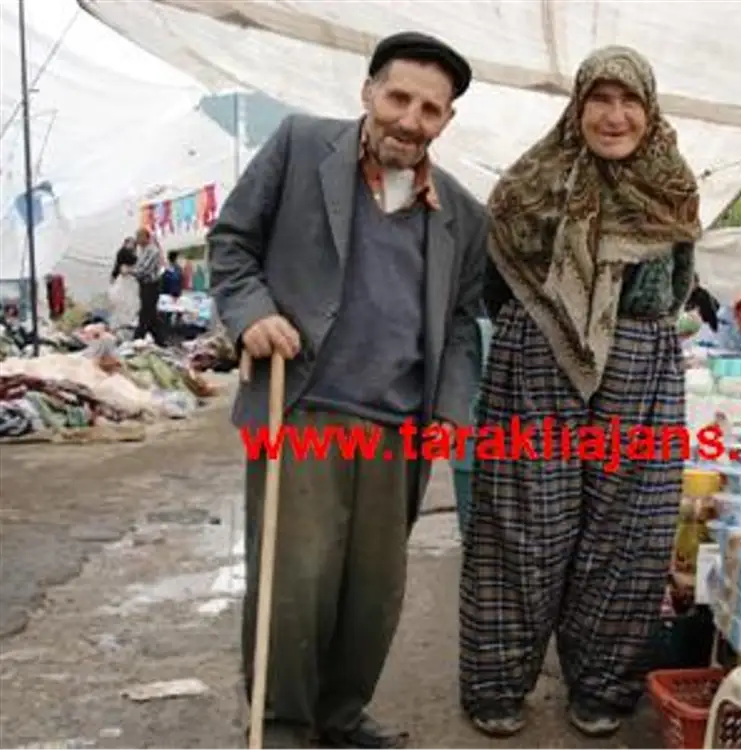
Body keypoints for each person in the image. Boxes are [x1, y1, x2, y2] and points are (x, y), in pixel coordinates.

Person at [208, 31, 486, 750]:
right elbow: (232, 243)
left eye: (430, 109)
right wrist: (252, 313)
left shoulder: (461, 214)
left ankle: (339, 715)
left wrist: (451, 408)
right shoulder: (300, 148)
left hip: (399, 426)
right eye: (399, 97)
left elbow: (461, 323)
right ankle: (281, 723)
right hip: (302, 406)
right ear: (368, 91)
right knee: (295, 583)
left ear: (447, 121)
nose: (409, 120)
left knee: (373, 593)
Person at [459, 46, 703, 739]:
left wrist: (624, 333)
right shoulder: (530, 182)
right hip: (539, 356)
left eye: (630, 101)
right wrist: (558, 322)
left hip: (640, 366)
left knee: (629, 529)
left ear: (649, 111)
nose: (614, 116)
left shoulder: (671, 184)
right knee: (524, 523)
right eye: (600, 99)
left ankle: (601, 685)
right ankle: (497, 684)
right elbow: (494, 285)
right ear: (578, 106)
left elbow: (677, 285)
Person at [132, 228, 165, 345]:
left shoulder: (152, 251)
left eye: (139, 237)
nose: (137, 240)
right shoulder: (142, 251)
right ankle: (160, 340)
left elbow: (145, 269)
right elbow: (138, 266)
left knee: (145, 313)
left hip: (151, 285)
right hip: (144, 284)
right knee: (151, 314)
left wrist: (131, 271)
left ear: (146, 237)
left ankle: (137, 338)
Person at [108, 237, 140, 332]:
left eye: (133, 244)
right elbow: (119, 267)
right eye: (130, 243)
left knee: (129, 303)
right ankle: (122, 324)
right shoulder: (123, 253)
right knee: (125, 302)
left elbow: (117, 266)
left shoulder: (129, 254)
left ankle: (125, 323)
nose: (131, 245)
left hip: (129, 280)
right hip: (126, 281)